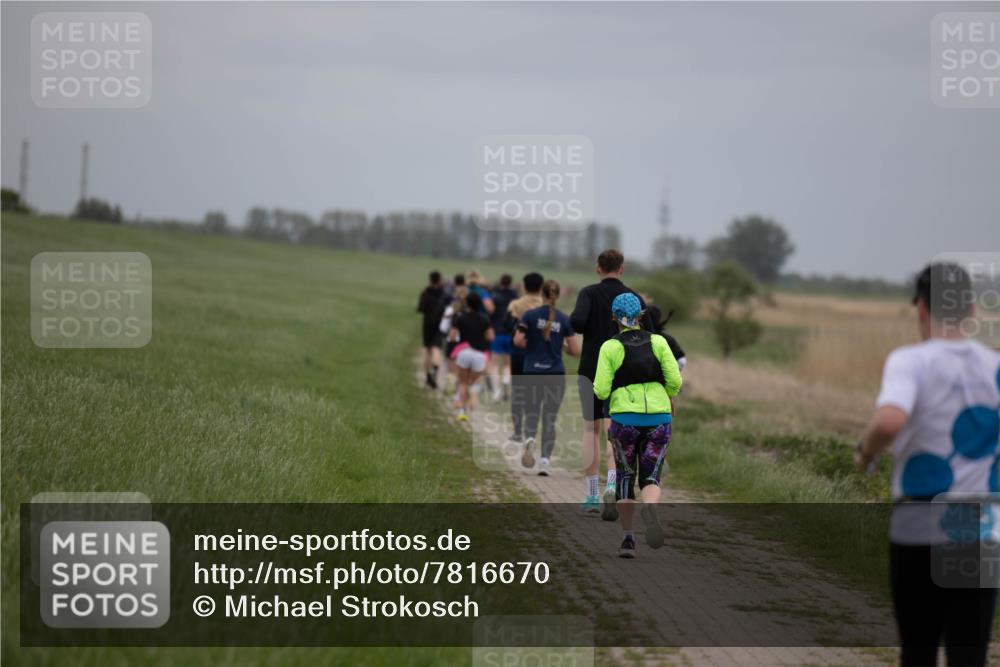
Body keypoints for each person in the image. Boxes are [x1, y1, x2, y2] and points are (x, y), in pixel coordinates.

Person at [854, 263, 1000, 667]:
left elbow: (888, 420)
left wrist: (866, 454)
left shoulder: (910, 361)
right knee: (968, 654)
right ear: (971, 309)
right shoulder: (995, 367)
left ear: (921, 308)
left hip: (918, 526)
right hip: (978, 530)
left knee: (917, 651)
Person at [594, 293, 682, 558]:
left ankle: (628, 539)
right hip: (658, 418)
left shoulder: (610, 347)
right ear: (641, 316)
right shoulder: (659, 342)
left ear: (613, 317)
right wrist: (660, 393)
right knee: (651, 476)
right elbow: (676, 382)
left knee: (624, 477)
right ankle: (651, 508)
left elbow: (600, 390)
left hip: (624, 419)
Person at [570, 249, 650, 517]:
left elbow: (577, 322)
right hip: (624, 371)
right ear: (622, 268)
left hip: (591, 368)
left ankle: (592, 494)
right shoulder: (634, 297)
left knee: (590, 431)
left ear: (598, 268)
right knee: (613, 431)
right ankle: (613, 485)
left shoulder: (588, 293)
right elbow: (651, 332)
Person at [513, 280, 580, 476]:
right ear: (557, 296)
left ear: (541, 295)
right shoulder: (564, 319)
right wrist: (561, 346)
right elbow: (575, 350)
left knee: (531, 413)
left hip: (532, 372)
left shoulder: (529, 315)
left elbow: (517, 340)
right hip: (555, 374)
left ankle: (529, 439)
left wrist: (532, 346)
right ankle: (544, 462)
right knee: (549, 419)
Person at [506, 272, 545, 448]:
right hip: (539, 354)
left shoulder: (515, 304)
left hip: (519, 352)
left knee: (518, 392)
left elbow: (506, 325)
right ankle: (532, 432)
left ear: (524, 285)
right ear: (541, 286)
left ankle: (517, 432)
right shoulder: (544, 305)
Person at [448, 291, 495, 422]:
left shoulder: (460, 318)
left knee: (462, 382)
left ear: (467, 303)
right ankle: (473, 399)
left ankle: (462, 410)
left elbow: (452, 336)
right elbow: (491, 337)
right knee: (473, 381)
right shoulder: (485, 319)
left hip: (464, 352)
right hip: (479, 354)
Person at [488, 274, 519, 401]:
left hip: (497, 333)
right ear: (511, 282)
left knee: (495, 364)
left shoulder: (494, 296)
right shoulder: (515, 296)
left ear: (500, 282)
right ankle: (506, 382)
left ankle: (497, 391)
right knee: (508, 364)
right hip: (511, 334)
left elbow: (490, 312)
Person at [416, 271, 447, 389]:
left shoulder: (426, 292)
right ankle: (435, 372)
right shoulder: (443, 293)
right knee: (437, 349)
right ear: (439, 280)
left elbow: (420, 308)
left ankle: (428, 376)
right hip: (440, 324)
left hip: (427, 323)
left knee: (427, 350)